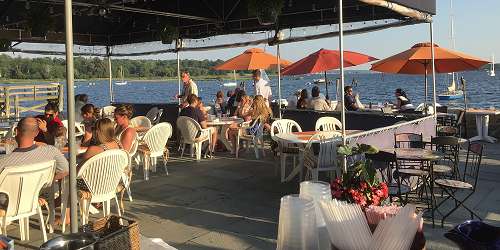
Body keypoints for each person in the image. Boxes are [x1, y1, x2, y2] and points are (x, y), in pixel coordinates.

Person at [0, 117, 68, 177]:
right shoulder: (52, 151)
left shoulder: (3, 162)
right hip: (39, 190)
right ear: (37, 133)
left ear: (16, 131)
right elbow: (65, 170)